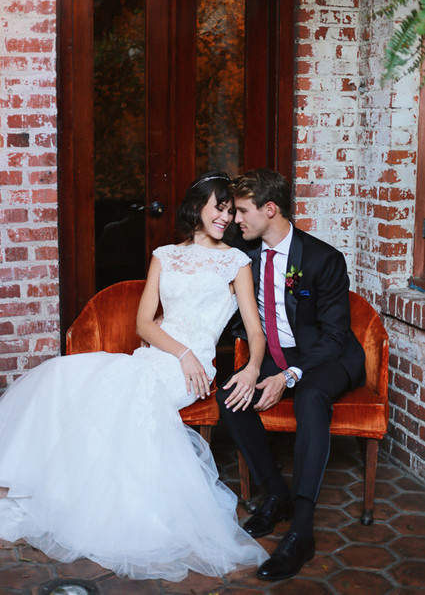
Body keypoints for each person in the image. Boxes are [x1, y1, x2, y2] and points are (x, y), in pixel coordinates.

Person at [0, 171, 269, 582]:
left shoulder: (236, 262)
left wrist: (251, 368)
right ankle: (52, 490)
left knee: (129, 393)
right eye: (219, 208)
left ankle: (92, 504)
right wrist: (180, 352)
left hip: (194, 370)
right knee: (64, 375)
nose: (226, 217)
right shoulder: (165, 255)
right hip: (160, 354)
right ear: (197, 208)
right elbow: (144, 323)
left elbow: (255, 331)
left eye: (231, 211)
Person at [216, 169, 366, 581]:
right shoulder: (242, 250)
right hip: (275, 354)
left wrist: (289, 376)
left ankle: (301, 530)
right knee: (230, 395)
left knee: (311, 397)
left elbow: (335, 336)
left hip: (328, 357)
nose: (235, 219)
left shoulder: (322, 259)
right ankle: (277, 494)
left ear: (270, 209)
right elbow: (201, 249)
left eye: (242, 211)